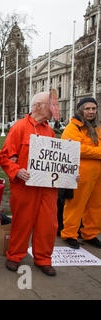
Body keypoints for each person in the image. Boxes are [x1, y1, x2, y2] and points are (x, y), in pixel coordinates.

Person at [0, 91, 61, 276]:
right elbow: (5, 157)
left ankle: (43, 258)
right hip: (24, 187)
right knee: (22, 223)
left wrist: (68, 173)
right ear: (39, 106)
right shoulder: (19, 128)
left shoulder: (50, 131)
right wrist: (16, 171)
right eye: (51, 105)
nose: (54, 109)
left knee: (48, 225)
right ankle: (15, 255)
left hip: (48, 188)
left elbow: (56, 160)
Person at [60, 97, 101, 249]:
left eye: (94, 109)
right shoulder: (73, 127)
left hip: (97, 175)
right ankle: (69, 234)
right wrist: (99, 152)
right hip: (79, 174)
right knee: (75, 205)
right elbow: (76, 148)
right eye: (87, 109)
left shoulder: (96, 127)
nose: (91, 112)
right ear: (80, 110)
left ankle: (90, 233)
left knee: (96, 206)